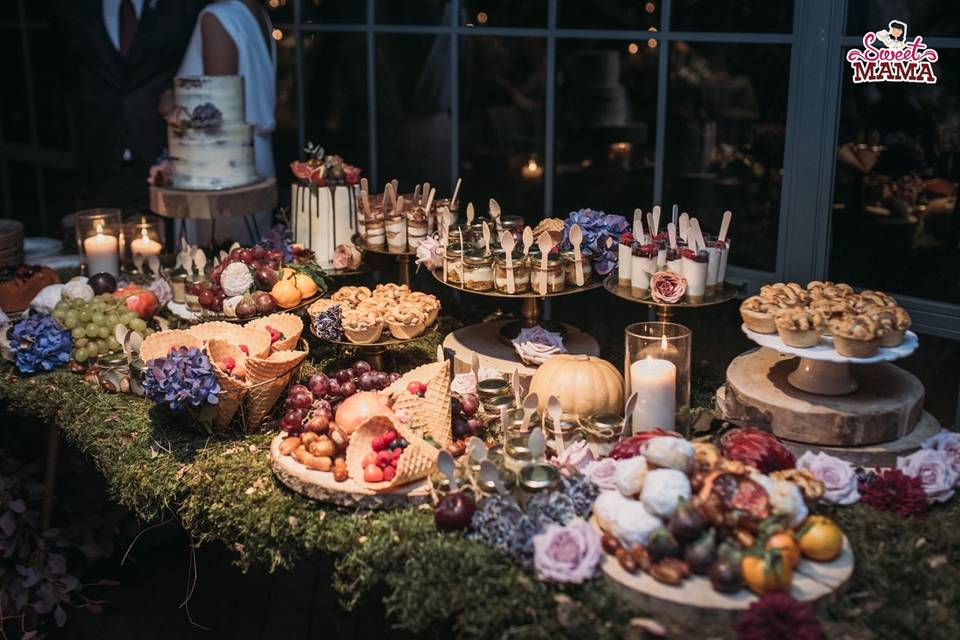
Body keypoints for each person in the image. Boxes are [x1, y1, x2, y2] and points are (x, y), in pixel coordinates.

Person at [54, 0, 202, 211]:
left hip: (163, 156)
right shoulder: (77, 8)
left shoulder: (180, 7)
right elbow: (66, 76)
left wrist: (173, 94)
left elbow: (193, 66)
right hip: (99, 161)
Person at [175, 0, 277, 246]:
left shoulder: (216, 17)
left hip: (224, 167)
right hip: (259, 158)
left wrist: (171, 102)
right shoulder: (257, 12)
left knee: (218, 269)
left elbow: (217, 108)